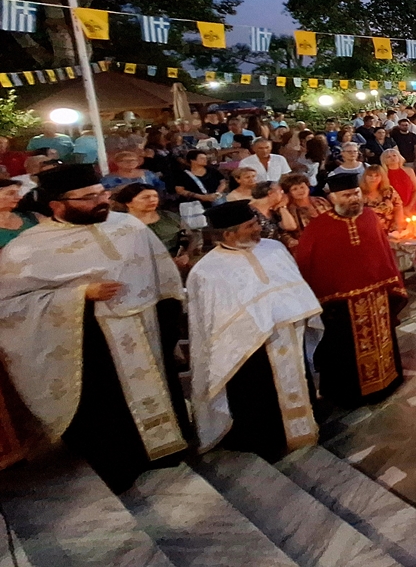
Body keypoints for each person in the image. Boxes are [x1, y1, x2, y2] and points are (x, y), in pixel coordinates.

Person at [0, 164, 187, 493]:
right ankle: (122, 464)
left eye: (102, 193)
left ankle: (168, 452)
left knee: (161, 388)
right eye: (89, 197)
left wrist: (170, 313)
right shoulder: (29, 247)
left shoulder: (128, 225)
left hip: (146, 329)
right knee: (109, 410)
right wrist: (79, 294)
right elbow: (10, 305)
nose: (102, 201)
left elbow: (163, 273)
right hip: (90, 340)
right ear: (57, 205)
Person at [186, 201, 324, 459]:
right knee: (256, 395)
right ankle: (265, 439)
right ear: (228, 234)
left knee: (298, 381)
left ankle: (305, 426)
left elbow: (294, 286)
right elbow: (211, 320)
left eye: (256, 222)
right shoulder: (206, 271)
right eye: (250, 225)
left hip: (287, 335)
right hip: (246, 348)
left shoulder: (274, 249)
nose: (258, 228)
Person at [294, 173, 408, 407]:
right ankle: (350, 394)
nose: (353, 198)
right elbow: (309, 263)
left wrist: (390, 283)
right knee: (344, 350)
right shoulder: (319, 228)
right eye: (347, 195)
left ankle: (387, 381)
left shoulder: (369, 217)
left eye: (356, 193)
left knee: (382, 340)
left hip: (377, 296)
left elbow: (383, 252)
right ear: (333, 197)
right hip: (340, 305)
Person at [113, 183, 187, 262]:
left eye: (155, 196)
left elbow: (189, 236)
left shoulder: (170, 217)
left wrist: (185, 254)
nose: (152, 200)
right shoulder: (119, 225)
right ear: (129, 203)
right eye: (145, 197)